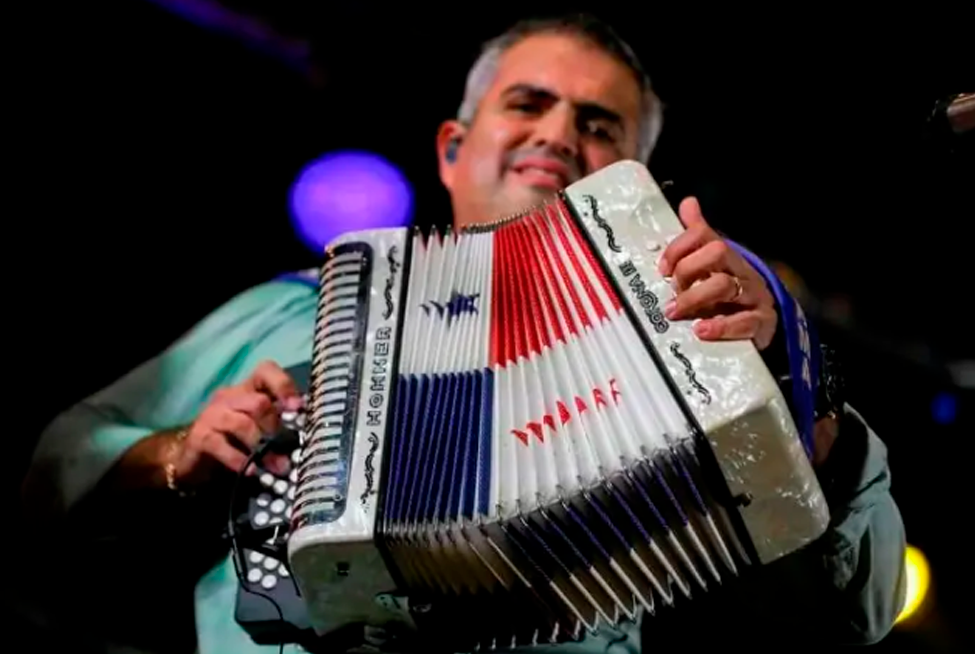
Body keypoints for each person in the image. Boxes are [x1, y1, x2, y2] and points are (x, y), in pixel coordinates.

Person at [20, 13, 906, 654]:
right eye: (529, 103)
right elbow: (54, 467)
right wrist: (175, 456)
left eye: (598, 125)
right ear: (453, 147)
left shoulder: (696, 347)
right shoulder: (297, 310)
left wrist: (795, 394)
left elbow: (858, 617)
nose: (558, 135)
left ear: (633, 176)